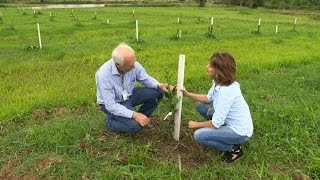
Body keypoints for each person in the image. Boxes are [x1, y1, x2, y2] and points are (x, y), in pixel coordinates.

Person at [181, 52, 253, 163]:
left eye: (210, 66)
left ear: (219, 72)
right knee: (202, 107)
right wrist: (188, 94)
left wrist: (196, 124)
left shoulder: (226, 92)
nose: (207, 67)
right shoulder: (218, 82)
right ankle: (223, 135)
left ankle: (234, 149)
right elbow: (208, 98)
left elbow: (215, 123)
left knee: (199, 135)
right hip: (228, 122)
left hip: (240, 132)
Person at [96, 43, 168, 134]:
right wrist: (134, 114)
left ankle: (142, 119)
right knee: (135, 127)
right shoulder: (104, 75)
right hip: (113, 103)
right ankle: (110, 122)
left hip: (129, 95)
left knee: (158, 92)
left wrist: (159, 85)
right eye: (130, 66)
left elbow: (145, 79)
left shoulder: (132, 64)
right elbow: (111, 105)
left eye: (134, 62)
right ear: (118, 65)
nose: (134, 66)